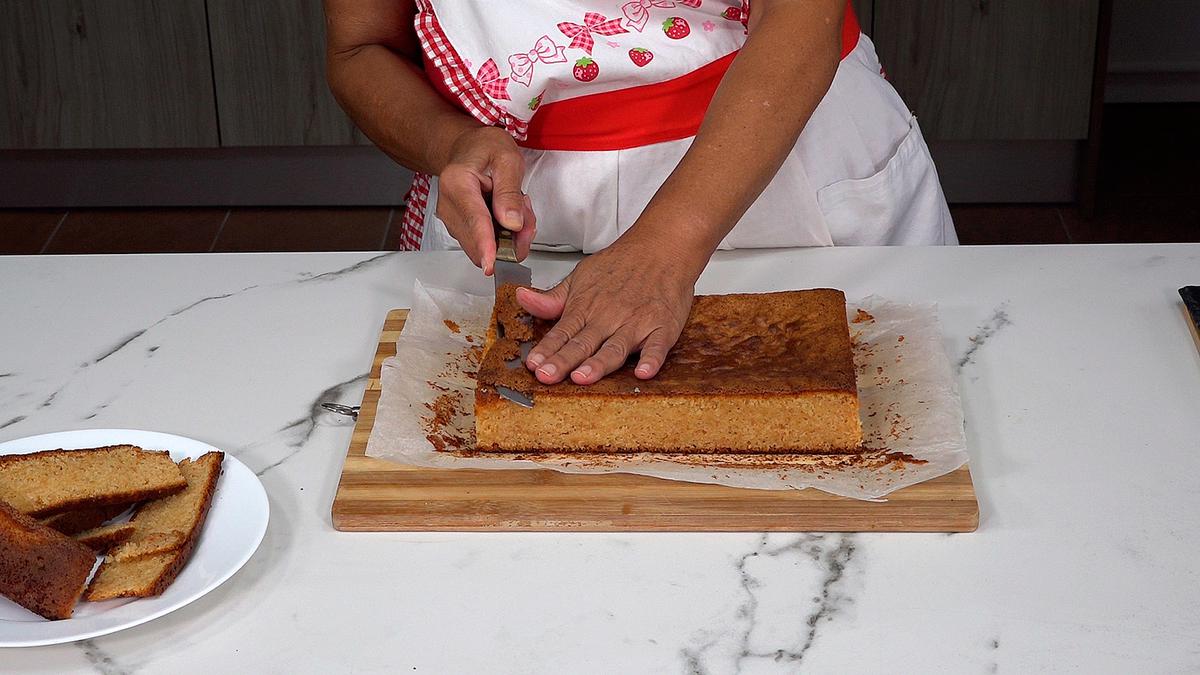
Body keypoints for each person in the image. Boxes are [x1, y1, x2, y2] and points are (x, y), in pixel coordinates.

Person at [325, 0, 956, 386]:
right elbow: (362, 46)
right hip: (515, 209)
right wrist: (450, 143)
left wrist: (661, 254)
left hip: (782, 168)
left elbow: (800, 14)